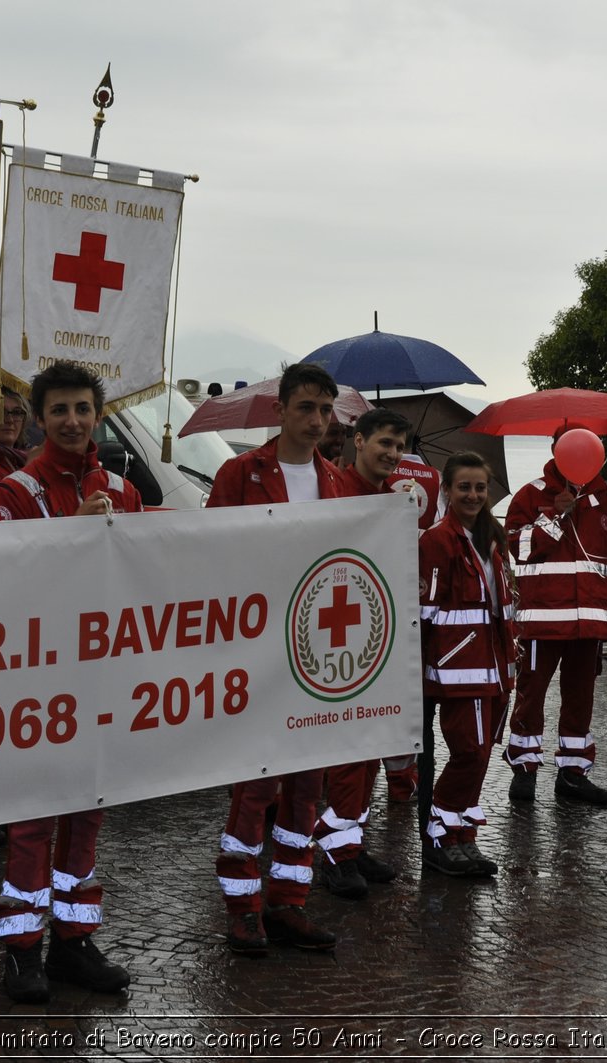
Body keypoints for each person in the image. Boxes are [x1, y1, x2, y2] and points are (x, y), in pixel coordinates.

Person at [0, 360, 139, 1003]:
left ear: (98, 415)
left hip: (102, 673)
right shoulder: (15, 491)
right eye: (59, 411)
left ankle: (74, 941)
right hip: (37, 677)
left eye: (83, 409)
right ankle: (22, 950)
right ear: (39, 419)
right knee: (32, 815)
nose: (73, 421)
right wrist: (76, 528)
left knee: (88, 811)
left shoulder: (123, 490)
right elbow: (4, 582)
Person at [208, 362, 346, 956]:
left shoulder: (336, 481)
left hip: (314, 651)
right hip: (258, 648)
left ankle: (289, 901)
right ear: (281, 410)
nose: (317, 421)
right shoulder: (241, 473)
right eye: (306, 408)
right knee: (256, 785)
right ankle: (242, 906)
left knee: (306, 786)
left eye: (324, 410)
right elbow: (209, 556)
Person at [503, 424, 607, 807]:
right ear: (556, 450)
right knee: (530, 696)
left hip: (589, 623)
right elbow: (519, 549)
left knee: (581, 700)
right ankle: (524, 770)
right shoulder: (530, 495)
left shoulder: (602, 497)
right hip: (542, 620)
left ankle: (573, 775)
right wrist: (553, 517)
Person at [313, 408, 410, 898]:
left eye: (398, 447)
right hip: (335, 641)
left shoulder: (392, 503)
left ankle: (352, 839)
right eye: (384, 444)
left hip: (375, 638)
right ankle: (335, 853)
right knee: (348, 751)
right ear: (358, 440)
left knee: (370, 747)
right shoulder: (332, 491)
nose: (391, 454)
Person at [421, 452, 517, 875]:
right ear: (447, 491)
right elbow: (425, 610)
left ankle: (463, 835)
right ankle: (440, 835)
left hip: (495, 666)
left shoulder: (492, 538)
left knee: (481, 755)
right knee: (469, 753)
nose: (474, 495)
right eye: (464, 487)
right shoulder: (436, 540)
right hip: (458, 670)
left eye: (480, 487)